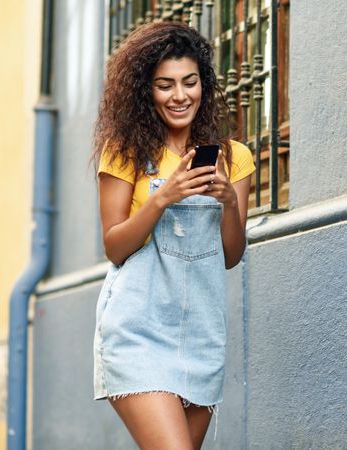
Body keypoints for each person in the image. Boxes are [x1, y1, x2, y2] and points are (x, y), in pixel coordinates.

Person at [91, 20, 254, 449]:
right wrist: (164, 198)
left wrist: (229, 203)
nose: (180, 96)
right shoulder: (125, 152)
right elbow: (114, 245)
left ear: (204, 84)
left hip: (201, 334)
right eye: (165, 85)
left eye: (190, 82)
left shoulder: (232, 157)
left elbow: (231, 255)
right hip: (137, 331)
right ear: (147, 91)